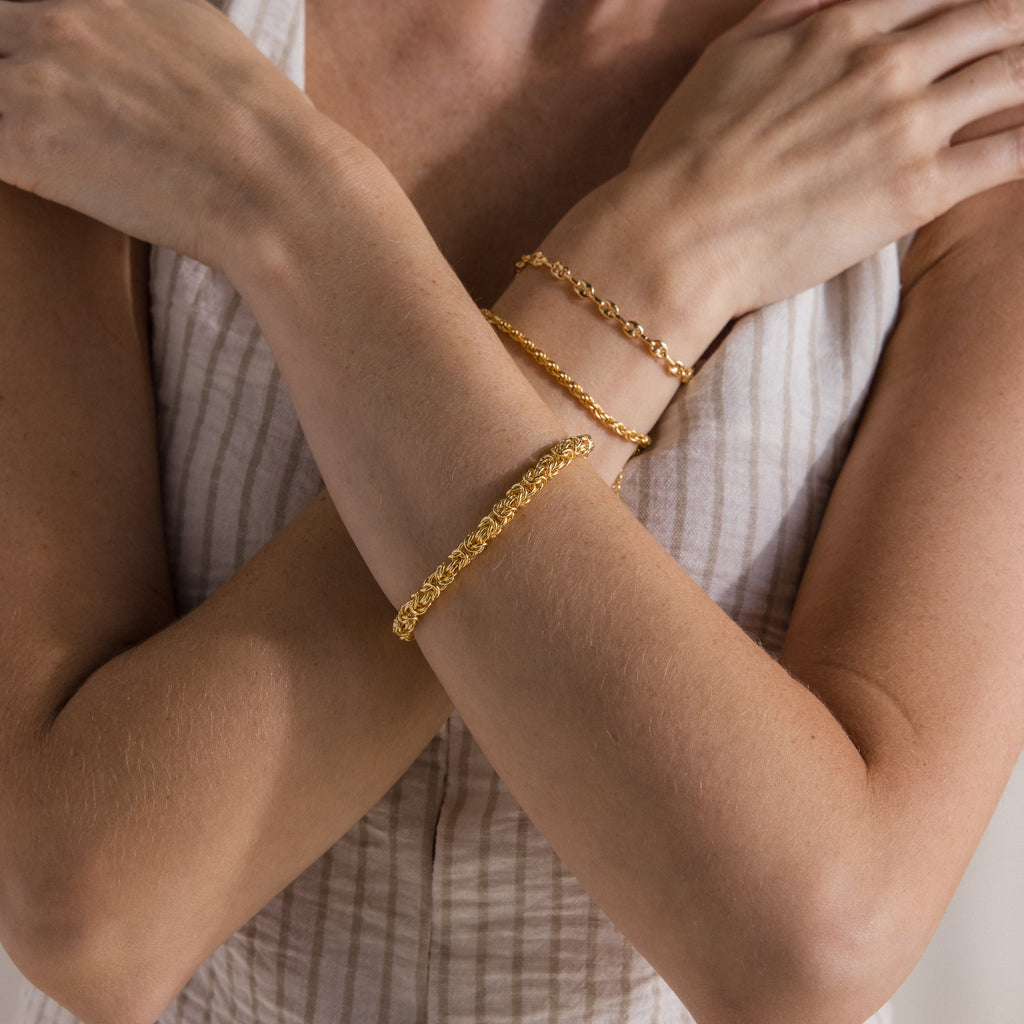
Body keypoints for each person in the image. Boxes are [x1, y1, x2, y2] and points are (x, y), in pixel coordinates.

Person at [1, 0, 1023, 1021]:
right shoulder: (108, 41)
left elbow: (810, 945)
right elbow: (90, 913)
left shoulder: (952, 90)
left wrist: (285, 203)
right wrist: (659, 262)